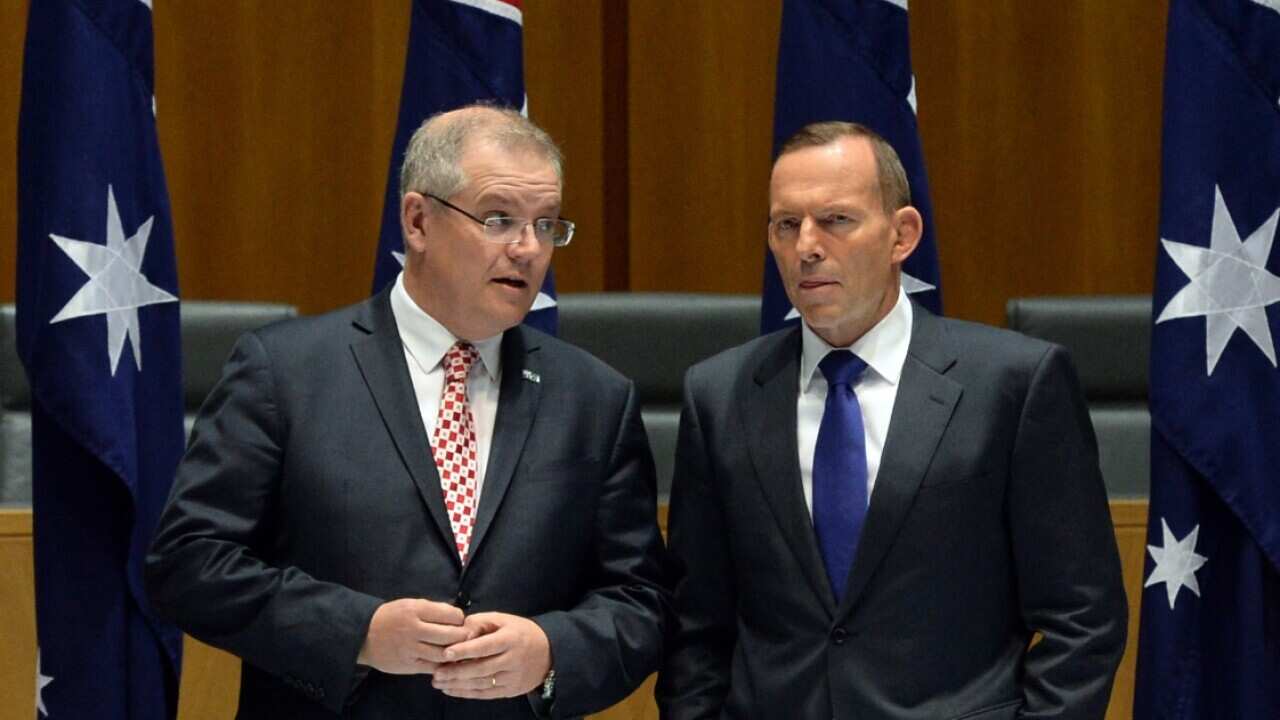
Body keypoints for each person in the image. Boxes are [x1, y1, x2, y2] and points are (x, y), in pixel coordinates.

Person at [146, 105, 669, 719]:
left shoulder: (594, 398)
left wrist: (552, 651)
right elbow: (189, 561)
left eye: (547, 225)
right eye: (499, 219)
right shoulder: (284, 372)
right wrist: (357, 632)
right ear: (418, 220)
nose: (528, 249)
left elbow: (641, 601)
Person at [656, 122, 1127, 720]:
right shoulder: (719, 395)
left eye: (836, 220)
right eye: (785, 224)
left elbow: (1082, 617)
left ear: (902, 234)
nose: (806, 246)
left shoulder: (1013, 384)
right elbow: (697, 627)